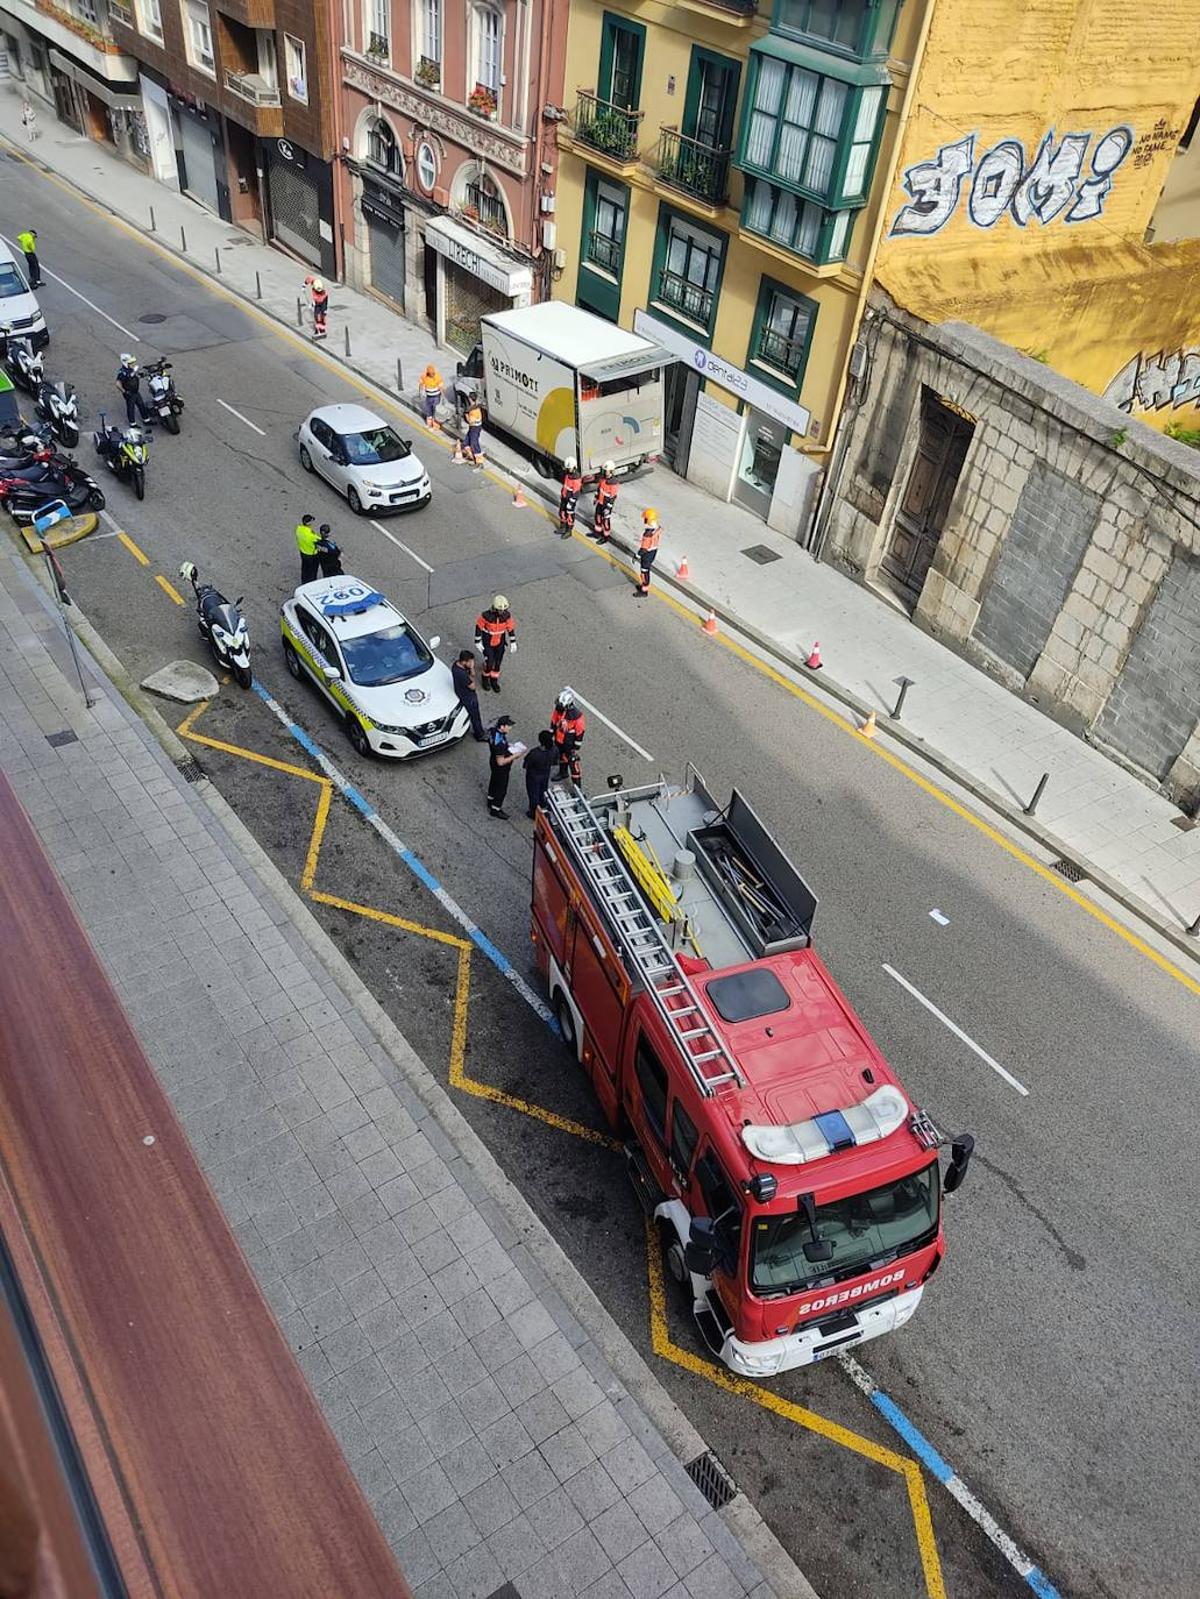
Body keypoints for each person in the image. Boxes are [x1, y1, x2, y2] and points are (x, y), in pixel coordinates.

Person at [474, 594, 516, 692]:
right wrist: (477, 641)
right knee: (489, 663)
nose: (502, 612)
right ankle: (485, 678)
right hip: (488, 642)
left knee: (497, 663)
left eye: (504, 610)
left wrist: (513, 641)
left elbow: (510, 628)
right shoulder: (486, 616)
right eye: (500, 610)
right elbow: (479, 627)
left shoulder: (506, 616)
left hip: (500, 642)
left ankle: (494, 680)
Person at [486, 714, 519, 819]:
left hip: (493, 761)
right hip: (501, 767)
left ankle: (490, 799)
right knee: (501, 788)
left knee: (494, 780)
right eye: (508, 726)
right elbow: (501, 762)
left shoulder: (493, 732)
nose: (510, 728)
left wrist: (508, 746)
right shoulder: (499, 743)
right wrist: (514, 756)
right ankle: (495, 809)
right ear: (502, 727)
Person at [550, 687, 585, 784]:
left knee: (573, 763)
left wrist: (576, 747)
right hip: (559, 739)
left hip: (569, 742)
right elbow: (554, 720)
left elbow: (580, 731)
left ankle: (577, 787)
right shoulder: (558, 710)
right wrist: (551, 732)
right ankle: (563, 772)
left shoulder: (576, 716)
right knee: (561, 757)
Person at [452, 649, 486, 741]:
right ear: (464, 662)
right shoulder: (462, 674)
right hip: (468, 697)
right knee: (475, 716)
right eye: (470, 661)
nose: (472, 663)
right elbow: (473, 686)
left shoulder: (455, 665)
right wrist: (472, 670)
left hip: (461, 692)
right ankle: (479, 734)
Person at [523, 730, 554, 818]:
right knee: (543, 791)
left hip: (534, 776)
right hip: (545, 773)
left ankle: (533, 813)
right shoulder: (554, 750)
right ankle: (543, 805)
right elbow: (555, 761)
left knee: (533, 794)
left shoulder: (534, 753)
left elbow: (526, 764)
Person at [116, 355, 151, 426]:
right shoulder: (122, 372)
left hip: (135, 392)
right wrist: (124, 392)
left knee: (141, 405)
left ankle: (146, 420)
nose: (133, 364)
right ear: (125, 363)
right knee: (131, 408)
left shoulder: (131, 369)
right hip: (129, 393)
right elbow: (118, 383)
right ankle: (132, 424)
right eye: (131, 363)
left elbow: (134, 376)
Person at [634, 508, 661, 598]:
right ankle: (643, 587)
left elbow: (644, 549)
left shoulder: (648, 533)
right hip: (653, 552)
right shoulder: (656, 530)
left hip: (647, 555)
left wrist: (637, 555)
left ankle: (644, 591)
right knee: (646, 570)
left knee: (644, 572)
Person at [592, 461, 617, 542]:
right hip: (600, 502)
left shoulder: (613, 483)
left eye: (606, 471)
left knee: (605, 521)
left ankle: (605, 537)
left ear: (611, 471)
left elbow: (613, 496)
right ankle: (597, 533)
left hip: (606, 505)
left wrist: (608, 508)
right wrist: (596, 498)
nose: (604, 472)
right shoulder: (603, 479)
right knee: (598, 517)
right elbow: (599, 489)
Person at [558, 458, 582, 539]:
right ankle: (562, 527)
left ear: (574, 467)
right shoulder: (568, 475)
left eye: (569, 468)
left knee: (570, 516)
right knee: (562, 512)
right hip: (565, 497)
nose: (568, 470)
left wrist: (571, 502)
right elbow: (565, 486)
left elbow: (576, 492)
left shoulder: (576, 478)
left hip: (570, 500)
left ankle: (569, 531)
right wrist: (562, 494)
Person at [295, 512, 321, 584]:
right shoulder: (311, 536)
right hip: (312, 555)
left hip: (303, 552)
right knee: (312, 571)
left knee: (304, 569)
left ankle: (304, 581)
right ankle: (311, 583)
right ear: (309, 523)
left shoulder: (298, 529)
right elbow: (321, 540)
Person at [419, 364, 444, 429]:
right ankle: (429, 424)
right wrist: (421, 393)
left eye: (433, 373)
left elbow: (441, 387)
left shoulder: (437, 376)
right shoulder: (424, 376)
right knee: (429, 410)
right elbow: (421, 384)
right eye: (431, 373)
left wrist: (443, 397)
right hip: (429, 396)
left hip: (436, 396)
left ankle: (435, 426)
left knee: (435, 411)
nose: (432, 374)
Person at [305, 275, 328, 340]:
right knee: (316, 315)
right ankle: (317, 329)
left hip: (323, 302)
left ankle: (322, 330)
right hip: (317, 302)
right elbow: (308, 278)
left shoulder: (324, 293)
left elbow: (319, 301)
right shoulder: (315, 282)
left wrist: (312, 305)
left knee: (323, 315)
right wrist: (304, 285)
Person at [463, 398, 484, 468]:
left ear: (470, 399)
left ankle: (479, 462)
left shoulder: (473, 410)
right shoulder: (476, 407)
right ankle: (471, 457)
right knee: (466, 442)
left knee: (474, 443)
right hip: (474, 428)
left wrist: (466, 414)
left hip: (474, 428)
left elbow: (470, 421)